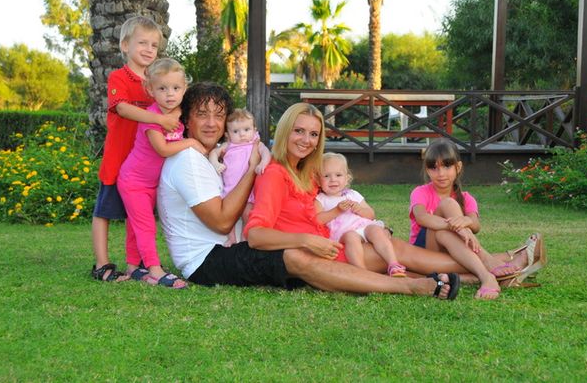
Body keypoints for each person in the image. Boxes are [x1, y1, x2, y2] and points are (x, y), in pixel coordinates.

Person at [158, 86, 461, 299]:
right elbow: (227, 223)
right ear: (186, 119)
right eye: (202, 115)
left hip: (267, 245)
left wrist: (362, 223)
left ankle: (478, 270)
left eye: (218, 115)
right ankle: (410, 286)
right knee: (297, 257)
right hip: (208, 259)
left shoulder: (213, 157)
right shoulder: (190, 160)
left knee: (389, 247)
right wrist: (255, 168)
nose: (212, 123)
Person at [90, 16, 180, 282]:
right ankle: (101, 264)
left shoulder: (156, 83)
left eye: (154, 45)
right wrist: (159, 120)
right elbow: (122, 108)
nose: (149, 49)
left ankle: (135, 263)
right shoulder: (119, 77)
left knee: (137, 214)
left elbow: (173, 104)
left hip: (143, 164)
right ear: (125, 45)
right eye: (142, 43)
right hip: (119, 157)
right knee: (104, 211)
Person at [409, 139, 545, 299]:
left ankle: (485, 274)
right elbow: (422, 218)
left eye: (447, 166)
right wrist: (458, 227)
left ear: (458, 167)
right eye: (434, 168)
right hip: (426, 251)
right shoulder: (420, 192)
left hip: (453, 251)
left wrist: (466, 222)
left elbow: (476, 225)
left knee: (446, 235)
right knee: (447, 205)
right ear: (427, 170)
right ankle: (497, 263)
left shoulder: (467, 198)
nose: (441, 173)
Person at [117, 58, 206, 288]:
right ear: (150, 90)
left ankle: (133, 266)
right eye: (162, 88)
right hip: (134, 181)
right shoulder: (152, 117)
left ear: (184, 88)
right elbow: (163, 149)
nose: (170, 94)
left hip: (152, 183)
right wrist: (190, 143)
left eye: (176, 88)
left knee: (136, 226)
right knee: (145, 225)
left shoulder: (180, 114)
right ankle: (154, 270)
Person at [315, 152, 407, 277]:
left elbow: (371, 214)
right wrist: (336, 210)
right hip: (343, 233)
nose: (333, 179)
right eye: (326, 176)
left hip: (363, 228)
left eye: (338, 175)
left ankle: (393, 264)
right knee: (351, 237)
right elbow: (318, 219)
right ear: (318, 180)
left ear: (346, 178)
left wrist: (360, 210)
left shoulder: (353, 194)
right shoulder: (321, 199)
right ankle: (362, 271)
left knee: (375, 230)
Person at [208, 108, 272, 247]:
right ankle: (231, 239)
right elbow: (214, 153)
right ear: (227, 134)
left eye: (246, 129)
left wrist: (262, 163)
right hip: (231, 190)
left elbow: (266, 153)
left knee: (247, 215)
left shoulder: (255, 144)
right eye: (236, 131)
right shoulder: (228, 145)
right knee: (230, 217)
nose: (242, 134)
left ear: (254, 130)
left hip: (249, 189)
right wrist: (216, 164)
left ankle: (244, 238)